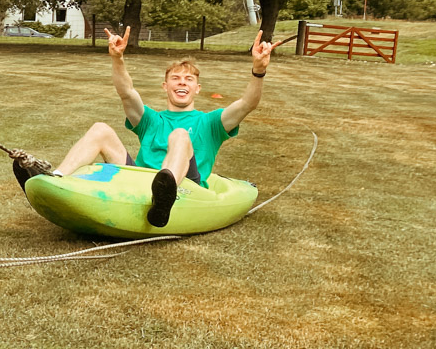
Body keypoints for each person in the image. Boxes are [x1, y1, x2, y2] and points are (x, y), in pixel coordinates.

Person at [32, 26, 274, 227]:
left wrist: (259, 71)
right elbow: (126, 92)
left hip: (187, 186)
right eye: (176, 79)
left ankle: (164, 195)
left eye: (189, 79)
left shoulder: (210, 123)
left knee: (179, 136)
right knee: (100, 129)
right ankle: (57, 179)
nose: (182, 83)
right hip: (140, 179)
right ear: (165, 86)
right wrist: (117, 59)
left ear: (197, 89)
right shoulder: (151, 120)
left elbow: (247, 104)